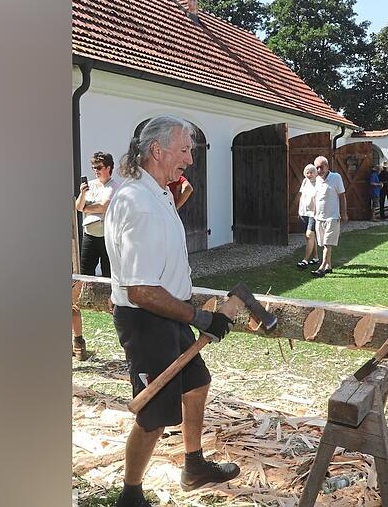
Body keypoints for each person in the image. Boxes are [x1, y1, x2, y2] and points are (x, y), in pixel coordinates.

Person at [104, 116, 240, 507]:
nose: (190, 161)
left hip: (170, 312)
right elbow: (142, 290)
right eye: (184, 151)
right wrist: (199, 317)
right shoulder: (139, 203)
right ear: (157, 151)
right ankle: (130, 494)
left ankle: (193, 466)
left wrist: (188, 312)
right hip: (148, 321)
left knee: (196, 384)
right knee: (153, 416)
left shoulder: (158, 193)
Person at [72, 151, 118, 360]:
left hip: (106, 235)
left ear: (108, 167)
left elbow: (103, 206)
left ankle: (113, 308)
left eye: (99, 168)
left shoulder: (115, 186)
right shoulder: (90, 186)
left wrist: (87, 208)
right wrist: (83, 195)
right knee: (85, 275)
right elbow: (78, 207)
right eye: (94, 168)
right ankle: (85, 307)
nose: (96, 171)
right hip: (90, 235)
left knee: (109, 275)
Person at [310, 156, 347, 277]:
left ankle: (322, 268)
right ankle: (329, 265)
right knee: (322, 243)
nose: (319, 170)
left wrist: (344, 213)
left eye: (321, 167)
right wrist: (313, 213)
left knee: (327, 243)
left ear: (327, 166)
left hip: (332, 216)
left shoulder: (336, 177)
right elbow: (315, 198)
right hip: (319, 217)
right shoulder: (316, 180)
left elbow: (342, 196)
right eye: (317, 167)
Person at [296, 164, 321, 269]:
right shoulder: (305, 182)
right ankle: (315, 258)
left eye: (311, 172)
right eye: (307, 172)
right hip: (304, 212)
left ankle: (305, 260)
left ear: (316, 173)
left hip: (314, 213)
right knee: (311, 237)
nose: (309, 174)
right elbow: (302, 196)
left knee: (309, 235)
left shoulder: (320, 183)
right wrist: (299, 210)